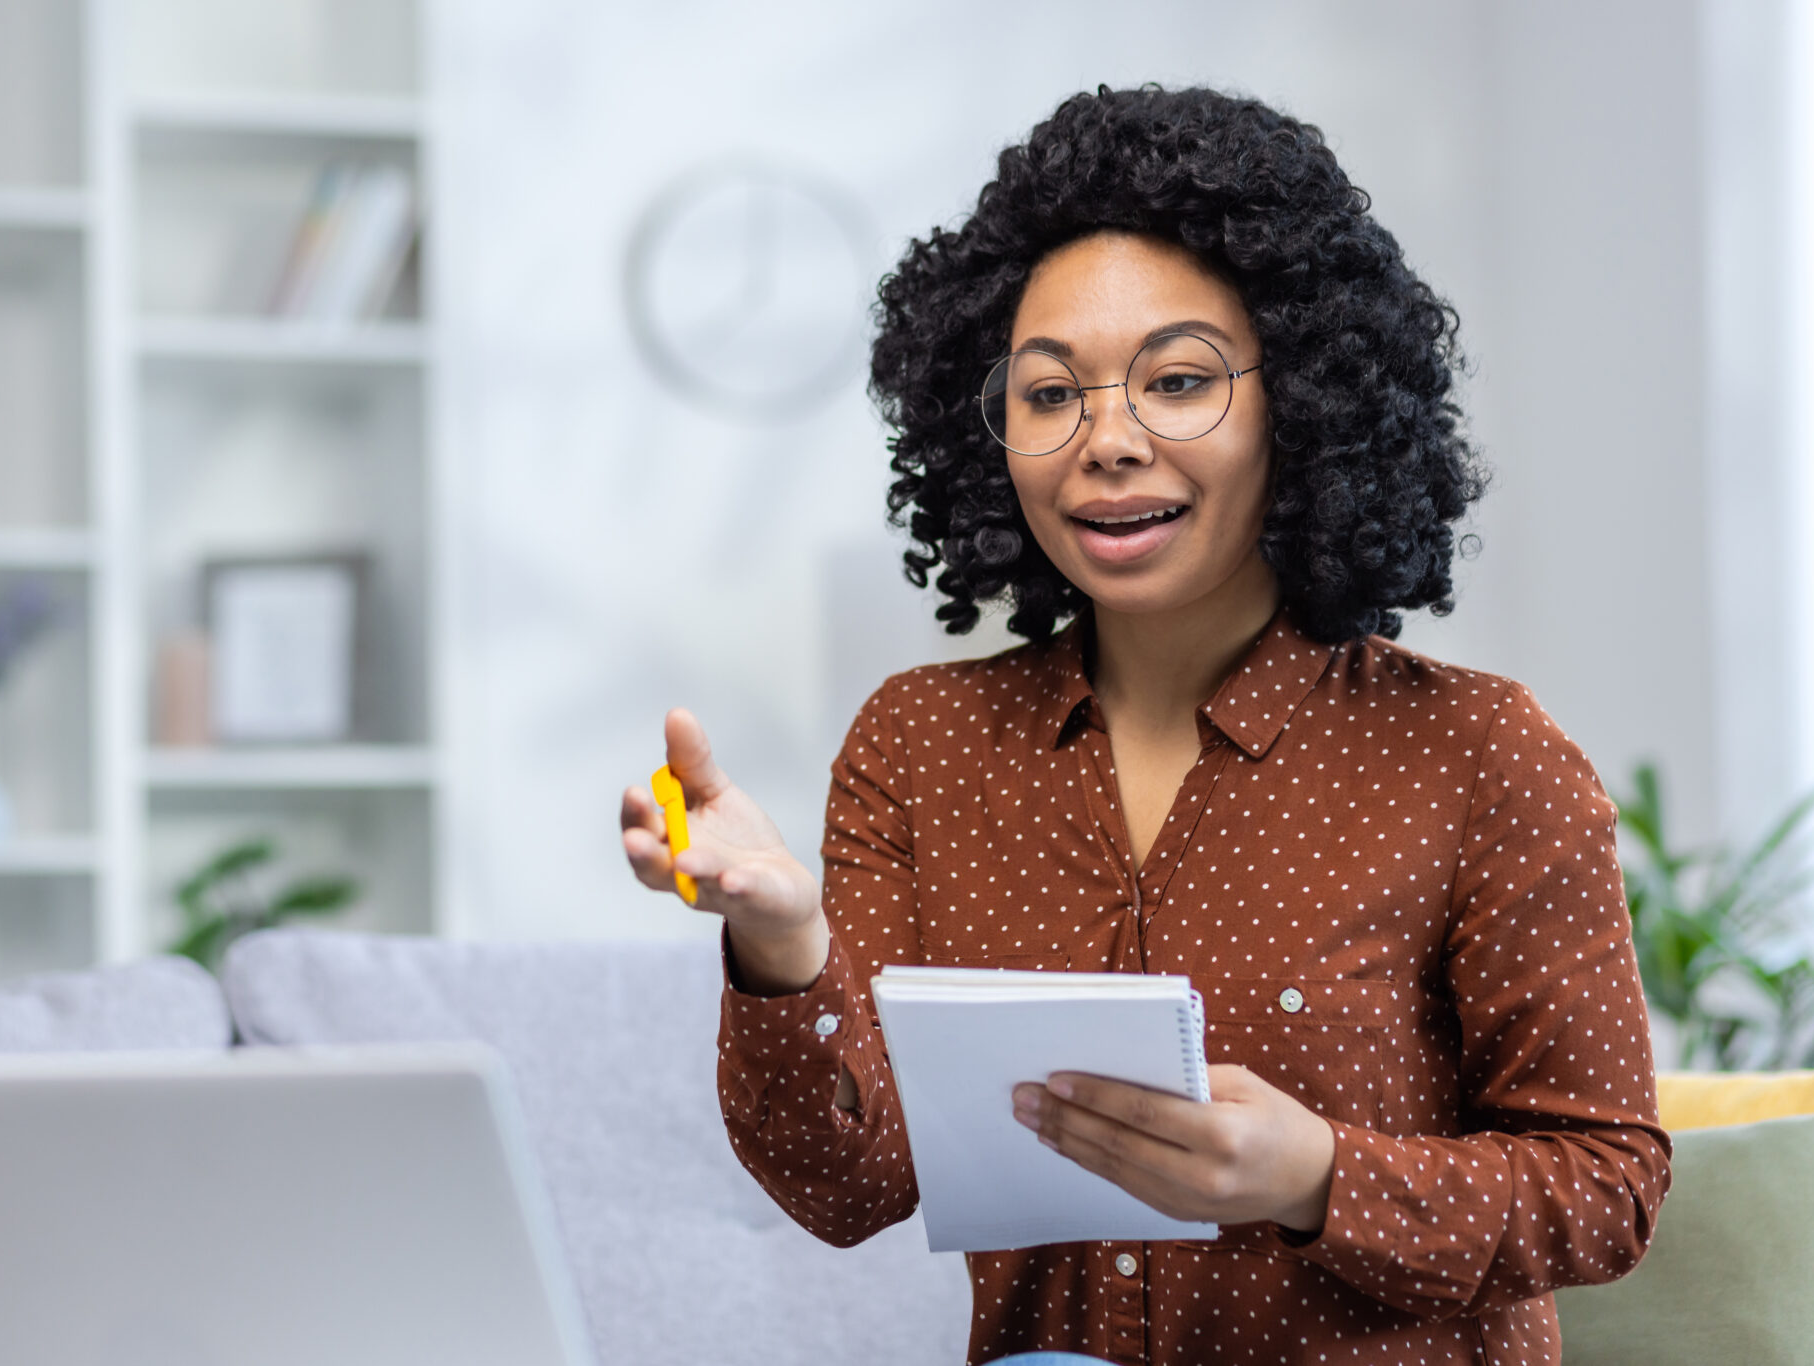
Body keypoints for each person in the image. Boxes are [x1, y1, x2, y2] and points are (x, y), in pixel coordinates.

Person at [619, 85, 1669, 1366]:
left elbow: (1607, 1184)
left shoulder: (1477, 754)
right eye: (1050, 393)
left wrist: (1316, 1177)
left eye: (1178, 381)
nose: (1105, 442)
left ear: (1305, 402)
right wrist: (780, 944)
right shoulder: (920, 746)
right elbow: (849, 1191)